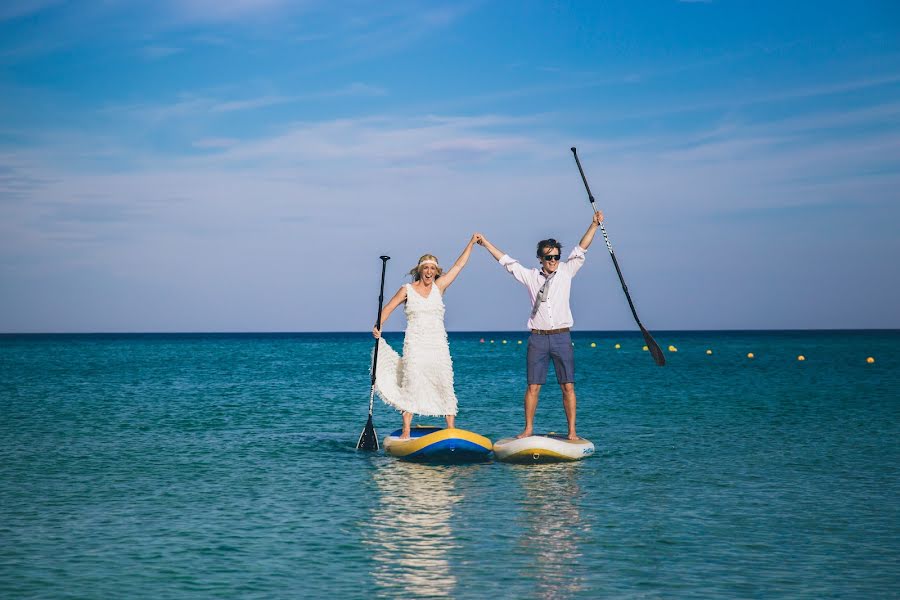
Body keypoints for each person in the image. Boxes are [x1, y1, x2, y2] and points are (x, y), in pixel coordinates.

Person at [476, 212, 604, 440]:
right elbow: (506, 261)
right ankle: (528, 429)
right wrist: (485, 243)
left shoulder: (566, 271)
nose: (553, 261)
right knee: (533, 387)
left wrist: (594, 224)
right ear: (540, 258)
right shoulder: (531, 276)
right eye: (548, 257)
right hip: (538, 338)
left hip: (562, 337)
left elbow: (581, 249)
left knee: (568, 386)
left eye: (556, 257)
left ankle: (572, 432)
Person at [372, 234, 480, 439]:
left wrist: (471, 243)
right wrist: (378, 325)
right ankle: (406, 430)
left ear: (436, 272)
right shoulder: (407, 290)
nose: (429, 272)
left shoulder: (439, 287)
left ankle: (450, 429)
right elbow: (388, 307)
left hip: (438, 344)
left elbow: (458, 266)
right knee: (412, 381)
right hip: (415, 343)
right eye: (426, 268)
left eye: (433, 269)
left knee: (444, 380)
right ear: (420, 271)